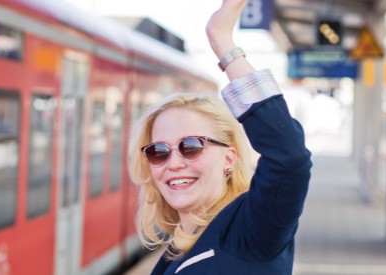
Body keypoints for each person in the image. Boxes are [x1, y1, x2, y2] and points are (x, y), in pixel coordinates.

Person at [126, 0, 312, 273]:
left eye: (190, 146)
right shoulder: (179, 248)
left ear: (229, 158)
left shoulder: (252, 233)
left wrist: (221, 38)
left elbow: (289, 156)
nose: (173, 163)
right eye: (159, 151)